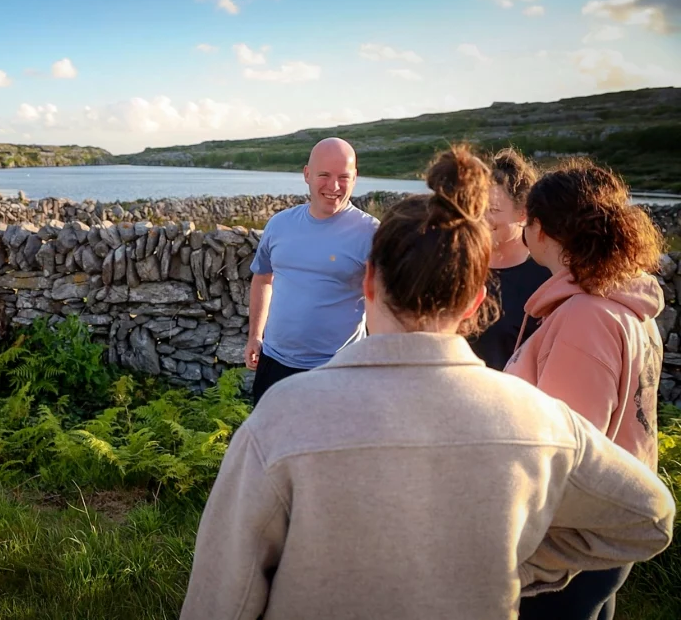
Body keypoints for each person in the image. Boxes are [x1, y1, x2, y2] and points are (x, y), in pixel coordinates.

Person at [181, 145, 675, 620]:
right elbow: (650, 518)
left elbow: (225, 590)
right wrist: (509, 565)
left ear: (369, 281)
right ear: (476, 302)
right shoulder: (541, 418)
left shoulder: (283, 416)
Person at [506, 159, 666, 620]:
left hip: (568, 545)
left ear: (538, 229)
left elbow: (564, 453)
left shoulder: (585, 318)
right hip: (605, 533)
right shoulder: (624, 305)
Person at [245, 137, 379, 405]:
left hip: (338, 369)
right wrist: (254, 337)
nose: (334, 186)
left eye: (344, 177)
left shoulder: (372, 233)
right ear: (307, 174)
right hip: (274, 363)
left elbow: (383, 301)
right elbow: (262, 278)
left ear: (356, 177)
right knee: (272, 443)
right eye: (324, 175)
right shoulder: (279, 225)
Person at [468, 148, 550, 369]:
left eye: (493, 210)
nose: (481, 219)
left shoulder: (546, 280)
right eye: (477, 208)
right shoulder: (460, 268)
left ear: (523, 213)